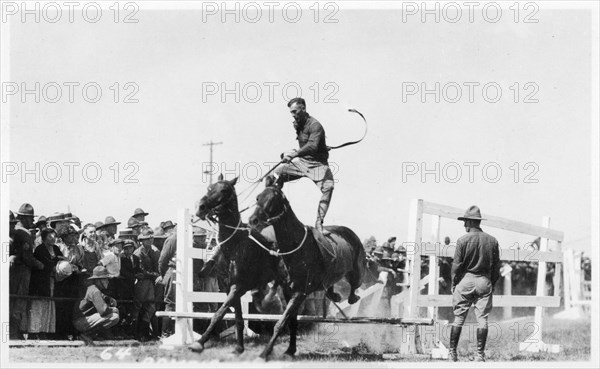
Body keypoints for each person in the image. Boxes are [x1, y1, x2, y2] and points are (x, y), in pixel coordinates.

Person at [272, 97, 335, 236]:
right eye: (291, 112)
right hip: (302, 162)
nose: (293, 115)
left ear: (303, 108)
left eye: (295, 111)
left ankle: (319, 224)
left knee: (328, 188)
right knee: (275, 176)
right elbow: (309, 143)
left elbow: (312, 146)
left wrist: (294, 155)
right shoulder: (297, 123)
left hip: (318, 165)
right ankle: (273, 216)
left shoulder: (315, 125)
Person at [449, 206, 500, 362]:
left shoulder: (462, 240)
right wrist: (492, 282)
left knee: (458, 318)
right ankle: (480, 355)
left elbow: (456, 265)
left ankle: (452, 353)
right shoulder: (492, 240)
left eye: (465, 222)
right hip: (484, 281)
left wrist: (454, 282)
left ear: (471, 221)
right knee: (483, 319)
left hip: (466, 280)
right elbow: (496, 267)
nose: (464, 225)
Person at [9, 203, 44, 339]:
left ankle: (14, 331)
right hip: (21, 272)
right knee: (19, 301)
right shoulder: (24, 233)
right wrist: (40, 265)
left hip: (14, 271)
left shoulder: (16, 230)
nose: (33, 221)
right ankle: (13, 332)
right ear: (23, 217)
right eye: (30, 218)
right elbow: (27, 257)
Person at [28, 228, 64, 338]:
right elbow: (44, 264)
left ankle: (45, 330)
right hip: (40, 282)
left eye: (54, 236)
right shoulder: (40, 249)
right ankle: (34, 332)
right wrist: (53, 267)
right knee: (39, 305)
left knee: (49, 305)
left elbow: (61, 260)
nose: (53, 239)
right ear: (43, 238)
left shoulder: (56, 249)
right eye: (50, 236)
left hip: (52, 281)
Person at [72, 266, 120, 345]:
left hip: (82, 320)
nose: (108, 281)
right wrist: (114, 309)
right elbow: (103, 311)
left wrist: (109, 299)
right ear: (98, 280)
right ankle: (87, 335)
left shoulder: (93, 288)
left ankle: (92, 335)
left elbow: (103, 296)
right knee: (114, 316)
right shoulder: (95, 291)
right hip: (81, 321)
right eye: (105, 279)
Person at [133, 226, 160, 341]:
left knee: (150, 307)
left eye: (151, 238)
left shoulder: (153, 251)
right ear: (142, 241)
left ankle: (144, 331)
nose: (150, 240)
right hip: (141, 282)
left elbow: (157, 266)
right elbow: (140, 271)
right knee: (139, 307)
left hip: (150, 282)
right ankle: (136, 332)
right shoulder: (138, 253)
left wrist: (155, 275)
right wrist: (155, 275)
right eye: (147, 239)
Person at [119, 240, 142, 336]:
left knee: (132, 308)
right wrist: (134, 276)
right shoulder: (121, 258)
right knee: (123, 307)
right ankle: (122, 330)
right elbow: (122, 271)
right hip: (123, 286)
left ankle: (131, 331)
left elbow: (138, 269)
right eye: (126, 248)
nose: (128, 250)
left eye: (130, 248)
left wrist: (140, 273)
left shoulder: (136, 258)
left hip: (132, 286)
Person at [158, 227, 177, 337]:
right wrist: (165, 274)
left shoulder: (190, 238)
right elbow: (162, 260)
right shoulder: (173, 239)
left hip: (184, 272)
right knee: (170, 303)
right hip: (173, 271)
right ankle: (165, 332)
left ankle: (175, 331)